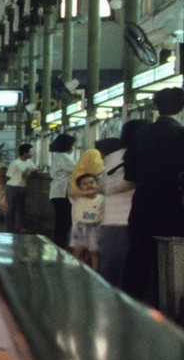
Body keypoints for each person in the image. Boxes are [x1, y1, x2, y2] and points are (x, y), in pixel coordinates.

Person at [124, 88, 184, 304]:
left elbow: (129, 174)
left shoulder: (140, 134)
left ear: (155, 107)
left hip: (143, 202)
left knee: (138, 256)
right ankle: (165, 309)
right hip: (173, 204)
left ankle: (129, 305)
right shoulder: (181, 135)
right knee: (169, 260)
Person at [96, 120, 142, 291]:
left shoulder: (119, 156)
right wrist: (136, 181)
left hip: (121, 220)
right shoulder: (120, 157)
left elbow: (103, 186)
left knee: (115, 268)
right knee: (115, 269)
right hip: (119, 220)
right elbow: (107, 187)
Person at [46, 133, 77, 250]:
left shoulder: (58, 156)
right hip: (62, 193)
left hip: (56, 193)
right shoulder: (65, 157)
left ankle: (58, 247)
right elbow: (77, 170)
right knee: (64, 223)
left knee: (61, 222)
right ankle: (60, 247)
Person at [69, 171, 103, 270]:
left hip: (95, 227)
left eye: (92, 182)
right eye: (85, 184)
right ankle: (75, 271)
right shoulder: (77, 197)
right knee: (78, 252)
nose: (89, 185)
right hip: (80, 227)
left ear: (97, 184)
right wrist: (90, 192)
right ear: (79, 187)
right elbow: (70, 192)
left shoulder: (101, 198)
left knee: (94, 253)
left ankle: (94, 274)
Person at [3, 143, 36, 232]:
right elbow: (8, 176)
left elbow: (35, 168)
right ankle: (9, 228)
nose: (32, 153)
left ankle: (19, 227)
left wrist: (29, 171)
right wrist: (3, 188)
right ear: (25, 153)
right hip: (12, 187)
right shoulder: (14, 163)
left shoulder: (29, 162)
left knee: (20, 209)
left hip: (22, 187)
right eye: (31, 151)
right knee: (10, 209)